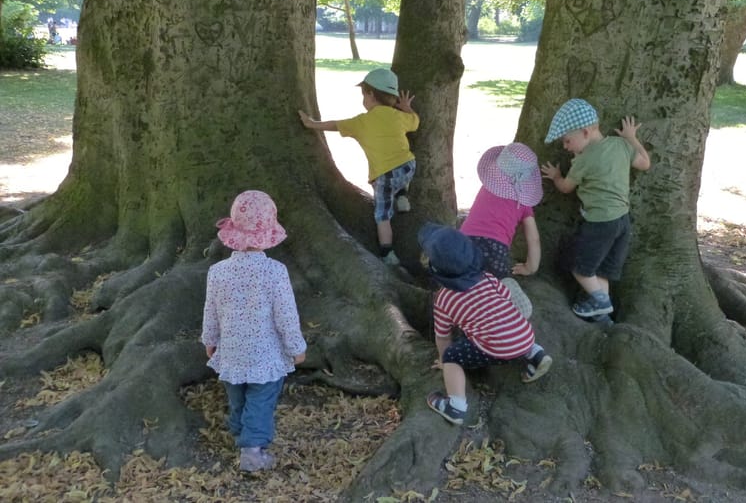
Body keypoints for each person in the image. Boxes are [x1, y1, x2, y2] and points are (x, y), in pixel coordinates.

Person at [201, 190, 307, 473]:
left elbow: (210, 311)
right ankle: (251, 451)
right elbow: (286, 315)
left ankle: (238, 433)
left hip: (232, 352)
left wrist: (209, 341)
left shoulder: (218, 272)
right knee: (261, 398)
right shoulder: (275, 271)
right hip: (265, 355)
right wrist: (297, 348)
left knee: (237, 396)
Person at [419, 223, 552, 425]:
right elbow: (507, 295)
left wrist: (443, 360)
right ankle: (536, 355)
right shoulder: (488, 279)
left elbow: (443, 336)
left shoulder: (444, 300)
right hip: (525, 336)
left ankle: (455, 406)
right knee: (511, 326)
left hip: (495, 350)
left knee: (451, 356)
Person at [540, 98, 651, 319]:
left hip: (600, 223)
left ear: (585, 132)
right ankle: (602, 318)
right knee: (601, 271)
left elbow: (565, 188)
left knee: (580, 269)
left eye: (567, 140)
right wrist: (631, 138)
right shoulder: (621, 146)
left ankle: (602, 301)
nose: (565, 146)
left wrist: (556, 176)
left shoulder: (583, 161)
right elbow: (645, 163)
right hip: (622, 222)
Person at [298, 68, 419, 266]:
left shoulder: (361, 122)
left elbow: (336, 125)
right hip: (409, 167)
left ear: (370, 94)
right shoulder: (398, 116)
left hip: (385, 176)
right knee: (400, 172)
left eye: (363, 94)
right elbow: (415, 122)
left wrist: (312, 124)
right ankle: (403, 197)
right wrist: (406, 107)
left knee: (382, 216)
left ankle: (388, 253)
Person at [459, 142, 542, 317]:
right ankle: (505, 287)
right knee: (495, 276)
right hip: (495, 247)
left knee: (462, 270)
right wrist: (530, 267)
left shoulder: (487, 187)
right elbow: (533, 239)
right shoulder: (524, 203)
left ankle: (459, 298)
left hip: (463, 240)